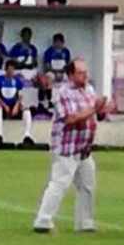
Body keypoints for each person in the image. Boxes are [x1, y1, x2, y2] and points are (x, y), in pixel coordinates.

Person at [32, 60, 112, 233]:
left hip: (84, 147)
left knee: (87, 185)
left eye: (85, 72)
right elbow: (70, 118)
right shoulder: (63, 92)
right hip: (67, 147)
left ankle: (85, 222)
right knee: (59, 183)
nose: (85, 76)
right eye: (81, 73)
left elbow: (93, 114)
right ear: (70, 75)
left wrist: (103, 109)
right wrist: (94, 108)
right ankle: (43, 220)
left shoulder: (89, 90)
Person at [0, 60, 35, 147]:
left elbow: (20, 96)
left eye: (13, 69)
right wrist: (4, 105)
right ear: (6, 69)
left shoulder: (18, 81)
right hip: (3, 106)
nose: (11, 72)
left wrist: (16, 106)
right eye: (9, 69)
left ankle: (27, 135)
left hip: (14, 106)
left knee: (27, 111)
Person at [8, 26, 48, 114]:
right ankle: (16, 104)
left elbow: (35, 63)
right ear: (22, 36)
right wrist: (24, 61)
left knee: (41, 80)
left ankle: (41, 103)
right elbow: (13, 63)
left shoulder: (33, 48)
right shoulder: (16, 48)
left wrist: (31, 63)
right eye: (25, 35)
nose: (27, 37)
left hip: (30, 71)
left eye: (28, 35)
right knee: (17, 80)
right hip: (19, 71)